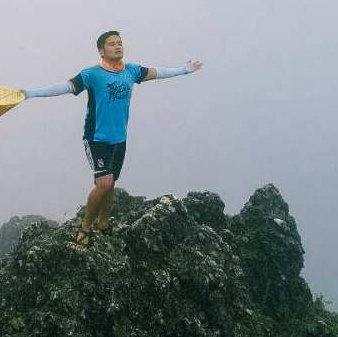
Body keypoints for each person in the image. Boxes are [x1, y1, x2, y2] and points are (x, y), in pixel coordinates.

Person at [19, 30, 203, 245]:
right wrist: (30, 93)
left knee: (111, 182)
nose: (118, 47)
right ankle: (86, 227)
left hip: (120, 137)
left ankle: (104, 223)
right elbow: (65, 87)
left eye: (120, 43)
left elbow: (157, 72)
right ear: (101, 51)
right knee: (104, 184)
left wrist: (183, 70)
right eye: (112, 44)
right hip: (97, 137)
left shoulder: (131, 71)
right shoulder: (92, 74)